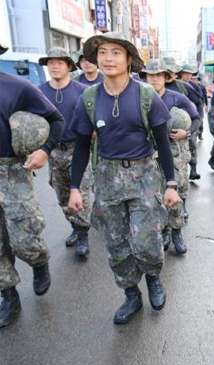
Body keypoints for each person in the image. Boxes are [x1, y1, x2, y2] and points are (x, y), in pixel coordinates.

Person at [68, 32, 180, 324]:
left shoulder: (146, 95)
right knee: (115, 244)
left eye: (116, 52)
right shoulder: (89, 98)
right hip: (107, 176)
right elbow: (81, 146)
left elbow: (163, 143)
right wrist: (74, 188)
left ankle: (153, 277)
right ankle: (131, 294)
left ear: (129, 59)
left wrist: (170, 184)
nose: (108, 58)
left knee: (146, 241)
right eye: (103, 52)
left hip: (143, 174)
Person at [0, 43, 66, 328]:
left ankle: (38, 261)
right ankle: (8, 295)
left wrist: (44, 150)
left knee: (24, 237)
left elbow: (56, 119)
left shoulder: (18, 87)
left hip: (12, 171)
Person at [38, 48, 93, 257]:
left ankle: (83, 233)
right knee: (62, 194)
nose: (54, 66)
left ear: (69, 66)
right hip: (53, 151)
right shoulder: (39, 91)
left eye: (60, 62)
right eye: (51, 63)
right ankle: (75, 226)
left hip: (78, 148)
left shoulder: (82, 90)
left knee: (81, 192)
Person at [142, 58, 200, 254]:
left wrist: (187, 133)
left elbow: (196, 118)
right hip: (148, 154)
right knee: (155, 196)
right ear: (145, 77)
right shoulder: (140, 98)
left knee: (176, 192)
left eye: (159, 75)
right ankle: (165, 230)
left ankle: (176, 231)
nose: (154, 79)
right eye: (151, 75)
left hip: (174, 153)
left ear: (166, 77)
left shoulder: (177, 98)